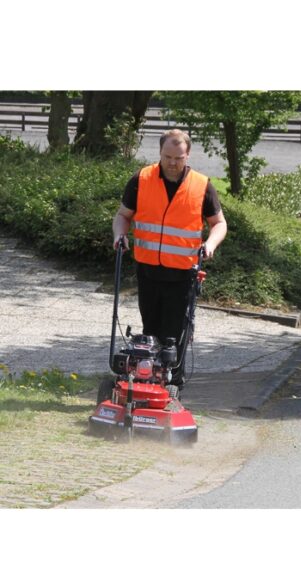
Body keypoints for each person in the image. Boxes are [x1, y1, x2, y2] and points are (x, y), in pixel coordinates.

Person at [112, 129, 227, 388]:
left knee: (175, 335)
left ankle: (173, 385)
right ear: (160, 153)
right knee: (150, 332)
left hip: (183, 275)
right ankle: (146, 381)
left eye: (178, 158)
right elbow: (123, 216)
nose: (172, 163)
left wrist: (210, 244)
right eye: (168, 157)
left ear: (188, 155)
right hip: (148, 272)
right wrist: (120, 235)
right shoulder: (141, 180)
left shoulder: (201, 186)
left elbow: (219, 223)